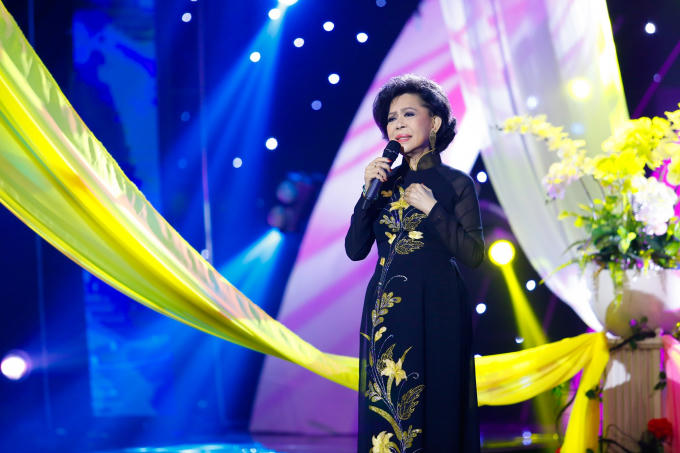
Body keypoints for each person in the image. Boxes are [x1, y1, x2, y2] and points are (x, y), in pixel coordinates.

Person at [345, 74, 484, 452]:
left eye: (409, 114)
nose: (398, 124)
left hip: (440, 305)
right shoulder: (382, 184)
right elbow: (355, 250)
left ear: (434, 122)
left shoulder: (456, 184)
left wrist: (434, 209)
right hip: (388, 310)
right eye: (392, 118)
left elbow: (473, 254)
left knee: (439, 402)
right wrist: (366, 193)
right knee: (388, 404)